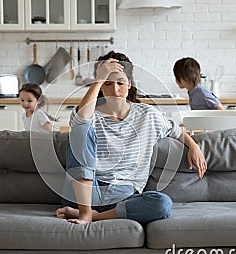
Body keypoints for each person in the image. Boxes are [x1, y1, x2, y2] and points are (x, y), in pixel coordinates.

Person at [54, 51, 207, 225]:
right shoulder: (90, 113)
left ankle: (93, 216)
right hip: (85, 194)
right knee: (80, 129)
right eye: (107, 83)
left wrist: (193, 146)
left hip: (124, 197)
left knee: (162, 203)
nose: (115, 90)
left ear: (130, 84)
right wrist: (98, 78)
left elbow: (176, 131)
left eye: (120, 82)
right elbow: (80, 121)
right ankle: (85, 211)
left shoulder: (147, 115)